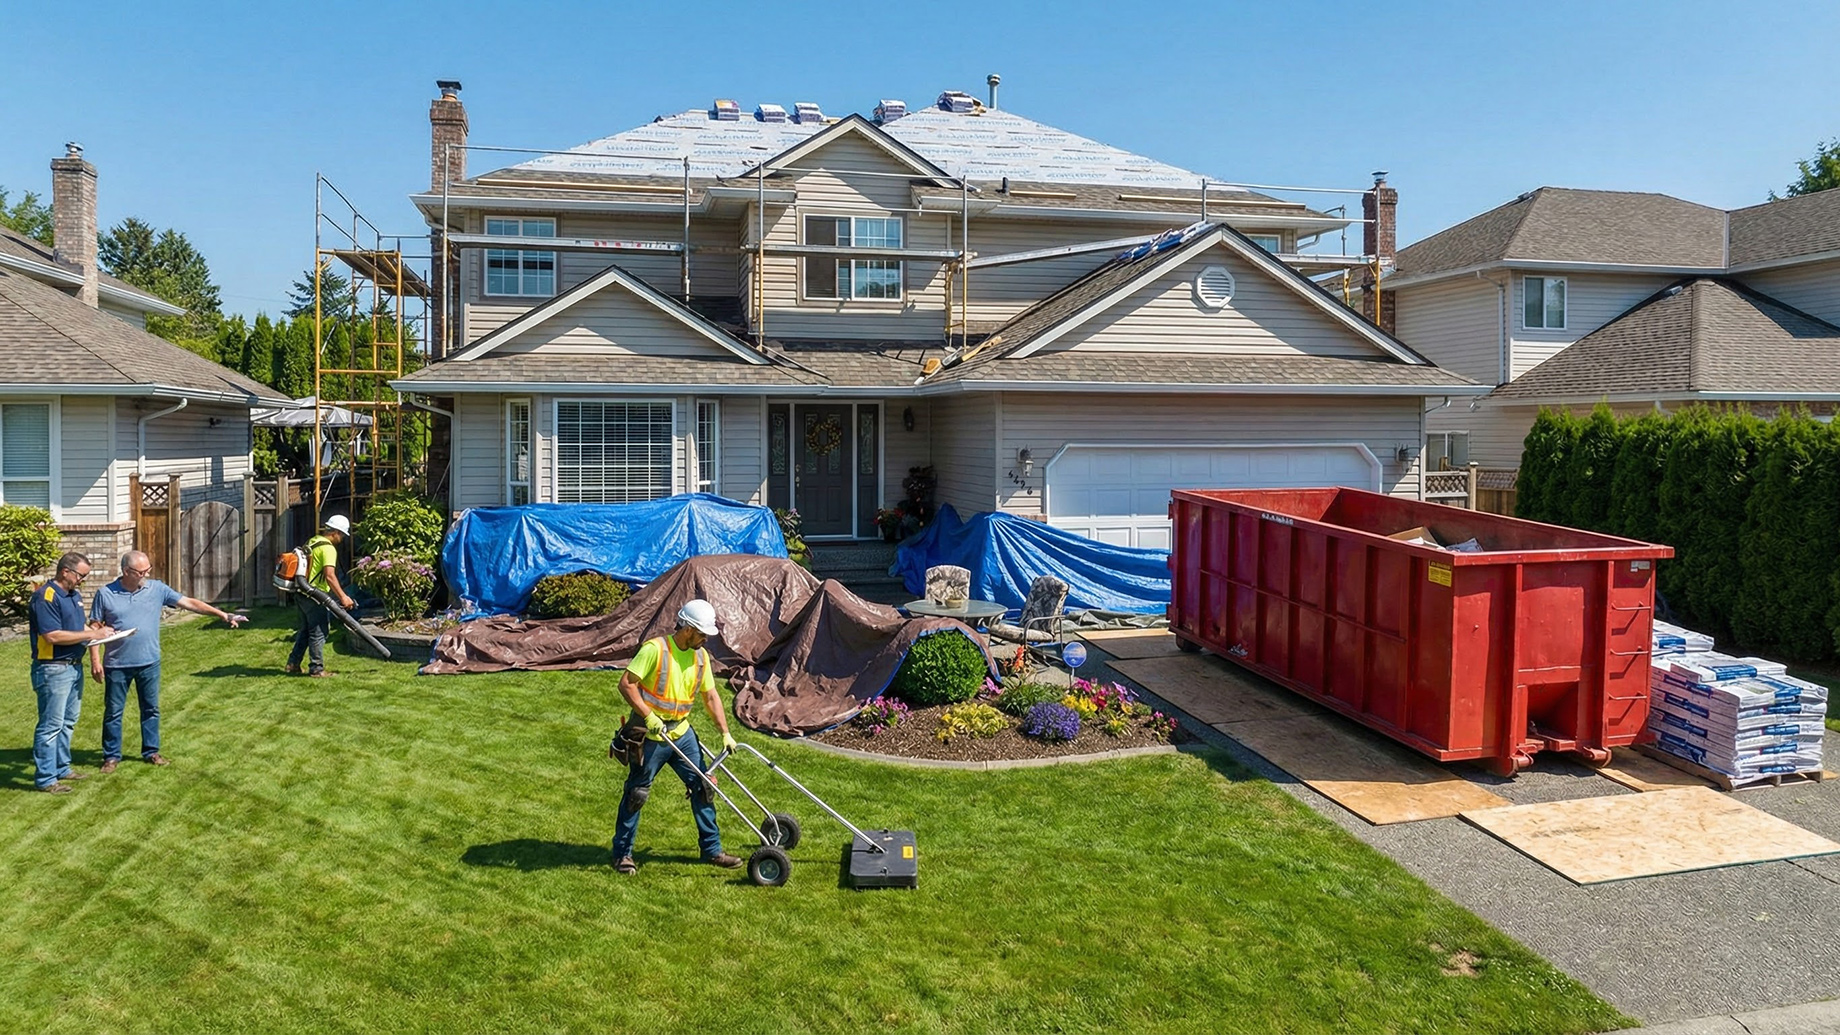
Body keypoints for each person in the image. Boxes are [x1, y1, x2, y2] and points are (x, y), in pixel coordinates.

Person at [610, 598, 742, 875]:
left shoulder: (700, 657)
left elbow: (711, 696)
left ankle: (712, 850)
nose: (706, 639)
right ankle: (622, 854)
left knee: (704, 788)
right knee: (637, 793)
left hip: (682, 733)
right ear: (688, 629)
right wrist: (648, 715)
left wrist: (726, 733)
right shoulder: (655, 650)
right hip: (650, 735)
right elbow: (626, 684)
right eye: (702, 633)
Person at [88, 550, 247, 773]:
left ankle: (151, 752)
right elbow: (94, 629)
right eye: (141, 572)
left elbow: (189, 603)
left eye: (148, 570)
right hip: (116, 664)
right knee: (114, 711)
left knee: (151, 709)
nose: (146, 575)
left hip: (149, 662)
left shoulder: (157, 589)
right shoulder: (105, 594)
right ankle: (111, 756)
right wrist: (95, 660)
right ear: (126, 571)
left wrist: (222, 615)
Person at [29, 552, 111, 794]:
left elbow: (78, 628)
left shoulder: (73, 596)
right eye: (81, 575)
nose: (83, 580)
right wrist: (92, 635)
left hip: (74, 666)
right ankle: (46, 779)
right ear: (65, 571)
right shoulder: (46, 597)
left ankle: (62, 768)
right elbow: (52, 636)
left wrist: (103, 631)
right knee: (50, 725)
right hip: (53, 669)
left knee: (68, 722)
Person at [286, 515, 354, 677]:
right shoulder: (328, 548)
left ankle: (293, 663)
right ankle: (316, 668)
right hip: (315, 595)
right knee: (319, 632)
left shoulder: (313, 541)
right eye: (342, 535)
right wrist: (343, 597)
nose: (342, 538)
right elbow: (330, 576)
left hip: (302, 593)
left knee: (305, 630)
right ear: (335, 532)